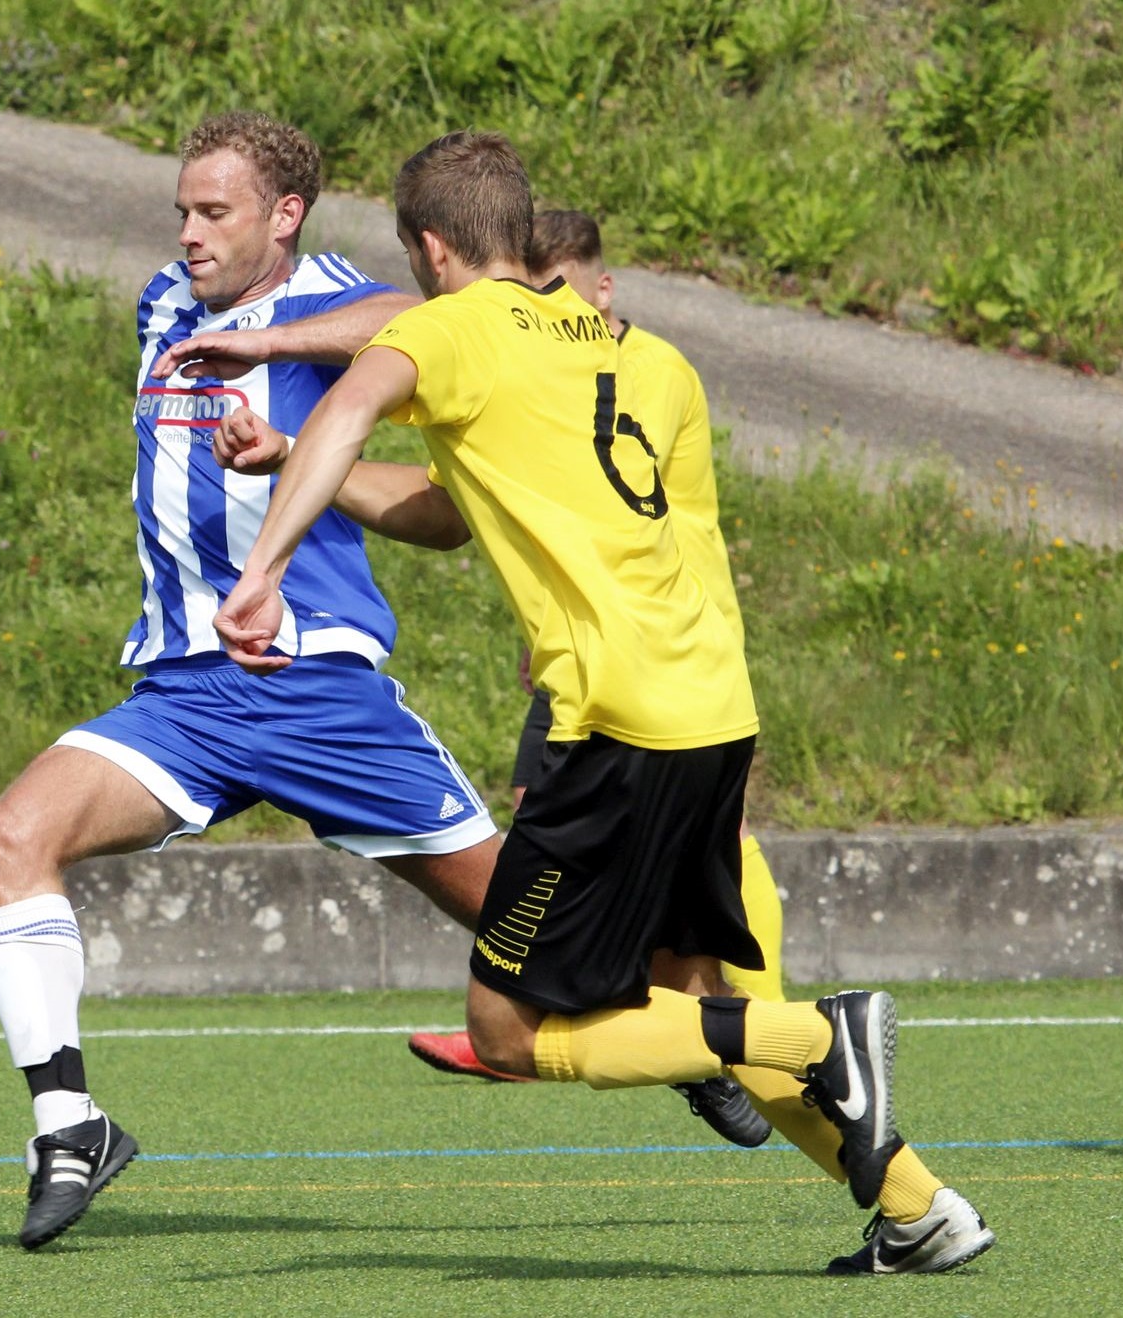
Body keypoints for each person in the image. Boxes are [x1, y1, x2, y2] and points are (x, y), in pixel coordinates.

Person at [211, 132, 994, 1274]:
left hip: (608, 726)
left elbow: (348, 417)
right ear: (523, 231)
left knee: (506, 1029)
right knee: (688, 1002)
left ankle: (821, 1034)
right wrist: (292, 457)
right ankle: (922, 1208)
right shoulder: (650, 359)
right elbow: (452, 507)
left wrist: (263, 566)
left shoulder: (444, 331)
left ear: (429, 247)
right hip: (710, 710)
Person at [0, 111, 504, 1251]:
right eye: (182, 209)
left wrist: (270, 352)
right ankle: (71, 1127)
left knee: (536, 932)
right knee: (13, 834)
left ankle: (701, 1045)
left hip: (315, 687)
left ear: (286, 217)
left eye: (215, 212)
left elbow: (431, 315)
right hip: (185, 695)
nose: (189, 232)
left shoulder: (340, 305)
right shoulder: (163, 304)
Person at [404, 212, 787, 1156]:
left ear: (600, 290)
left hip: (637, 680)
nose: (546, 309)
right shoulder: (572, 368)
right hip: (638, 670)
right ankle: (896, 1188)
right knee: (618, 865)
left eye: (563, 289)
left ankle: (772, 1037)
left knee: (589, 965)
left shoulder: (645, 371)